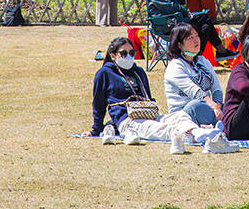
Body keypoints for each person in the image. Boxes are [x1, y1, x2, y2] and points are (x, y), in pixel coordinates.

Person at [89, 36, 234, 153]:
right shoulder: (105, 74)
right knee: (161, 129)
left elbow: (148, 99)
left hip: (148, 113)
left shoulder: (138, 72)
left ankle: (199, 132)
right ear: (113, 55)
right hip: (128, 121)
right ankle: (200, 136)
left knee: (180, 116)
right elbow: (99, 104)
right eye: (124, 53)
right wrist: (96, 129)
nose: (128, 57)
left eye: (132, 53)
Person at [164, 23, 226, 126]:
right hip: (184, 113)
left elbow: (216, 88)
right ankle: (223, 125)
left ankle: (220, 122)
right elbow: (194, 91)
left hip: (209, 108)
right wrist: (213, 107)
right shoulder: (175, 65)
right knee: (196, 106)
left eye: (197, 36)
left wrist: (218, 106)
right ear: (179, 44)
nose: (196, 40)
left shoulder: (203, 61)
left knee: (233, 105)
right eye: (190, 38)